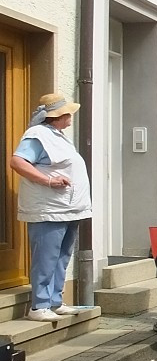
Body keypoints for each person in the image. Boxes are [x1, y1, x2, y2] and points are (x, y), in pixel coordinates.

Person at [8, 94, 93, 322]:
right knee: (46, 257)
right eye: (68, 113)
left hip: (66, 207)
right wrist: (47, 181)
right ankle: (39, 305)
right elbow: (17, 162)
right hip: (49, 208)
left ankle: (54, 301)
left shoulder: (57, 136)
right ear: (58, 116)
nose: (71, 117)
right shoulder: (37, 135)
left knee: (61, 256)